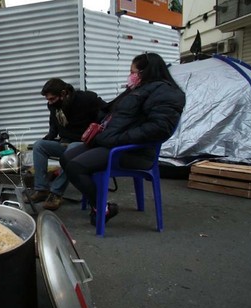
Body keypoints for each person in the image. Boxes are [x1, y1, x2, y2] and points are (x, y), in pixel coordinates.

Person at [60, 52, 185, 225]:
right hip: (113, 143)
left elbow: (159, 128)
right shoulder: (138, 89)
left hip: (134, 151)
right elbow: (116, 112)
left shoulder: (167, 92)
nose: (130, 75)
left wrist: (117, 138)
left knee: (76, 167)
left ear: (145, 72)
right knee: (66, 157)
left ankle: (102, 207)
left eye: (133, 71)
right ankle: (98, 204)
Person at [26, 78, 104, 210]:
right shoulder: (54, 106)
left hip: (84, 144)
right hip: (65, 142)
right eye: (48, 100)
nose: (50, 102)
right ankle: (41, 189)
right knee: (39, 145)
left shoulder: (86, 99)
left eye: (52, 99)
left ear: (63, 94)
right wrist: (47, 139)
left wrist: (97, 134)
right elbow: (54, 127)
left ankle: (56, 193)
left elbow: (106, 113)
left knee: (72, 149)